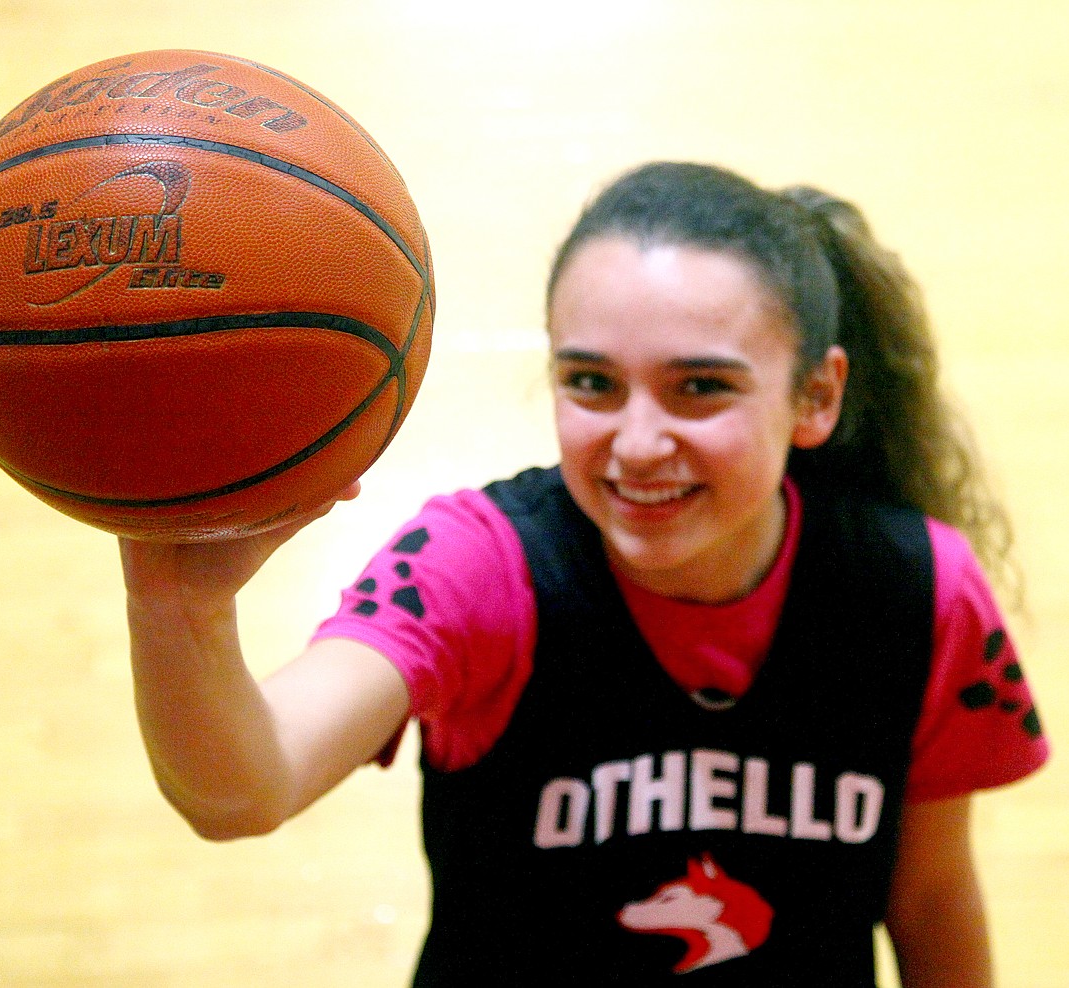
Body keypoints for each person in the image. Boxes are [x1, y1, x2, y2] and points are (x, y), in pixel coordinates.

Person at [119, 162, 1049, 986]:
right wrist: (178, 603)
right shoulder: (476, 563)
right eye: (593, 383)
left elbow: (927, 900)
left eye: (701, 386)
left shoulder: (917, 587)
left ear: (816, 396)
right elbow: (245, 787)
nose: (638, 445)